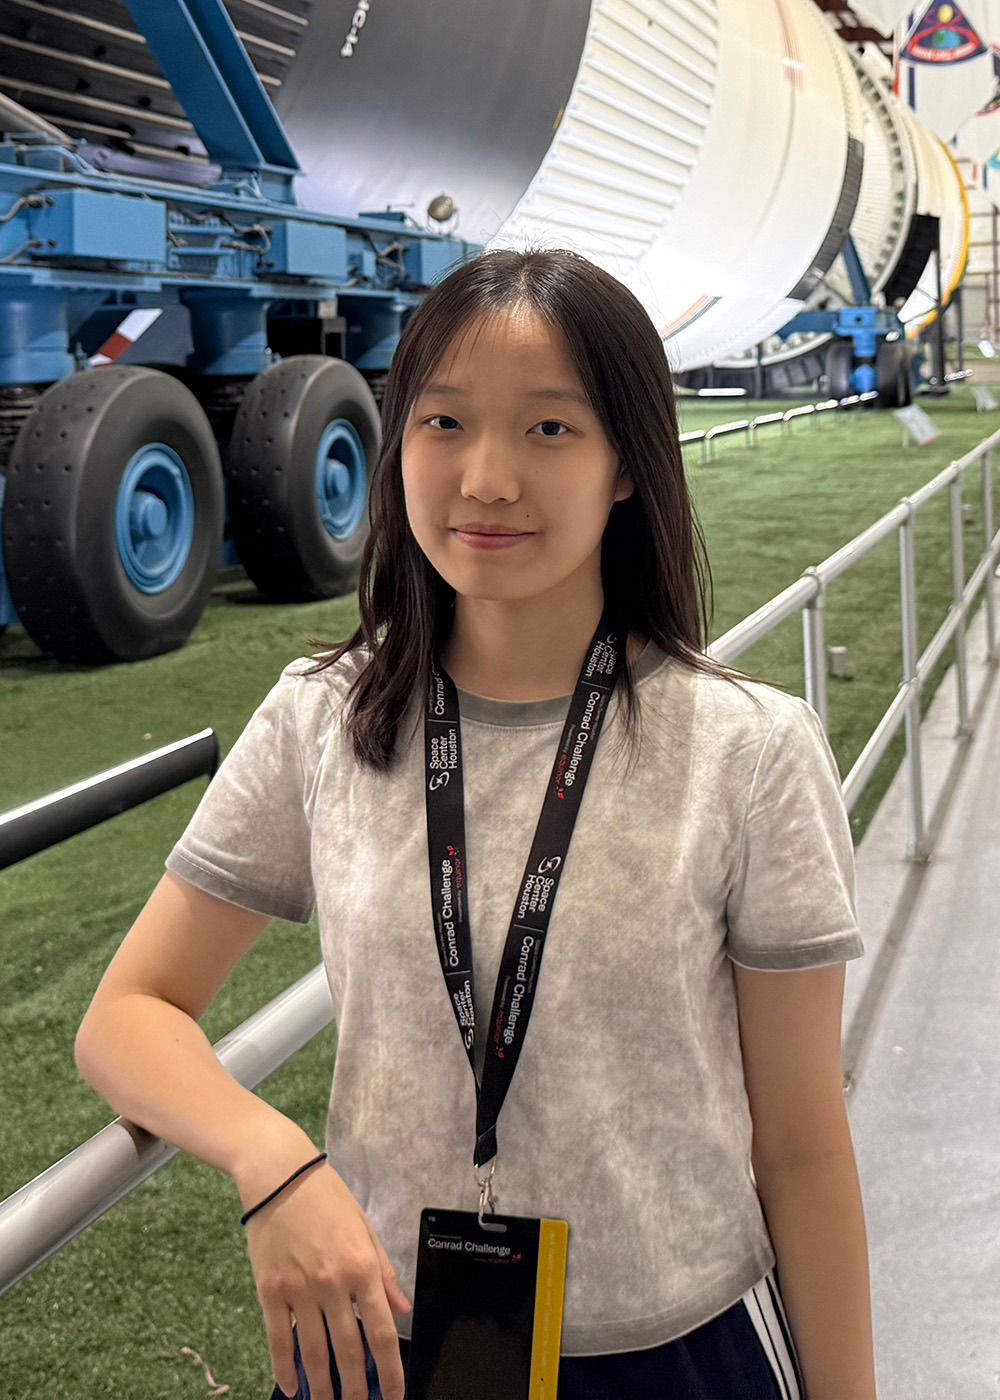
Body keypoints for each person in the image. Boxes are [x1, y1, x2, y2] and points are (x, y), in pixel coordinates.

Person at [75, 248, 877, 1400]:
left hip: (671, 1351)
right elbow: (126, 1014)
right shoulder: (326, 717)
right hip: (383, 1345)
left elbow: (801, 1149)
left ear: (624, 467)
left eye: (550, 429)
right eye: (443, 421)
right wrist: (273, 1160)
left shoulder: (746, 750)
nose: (486, 479)